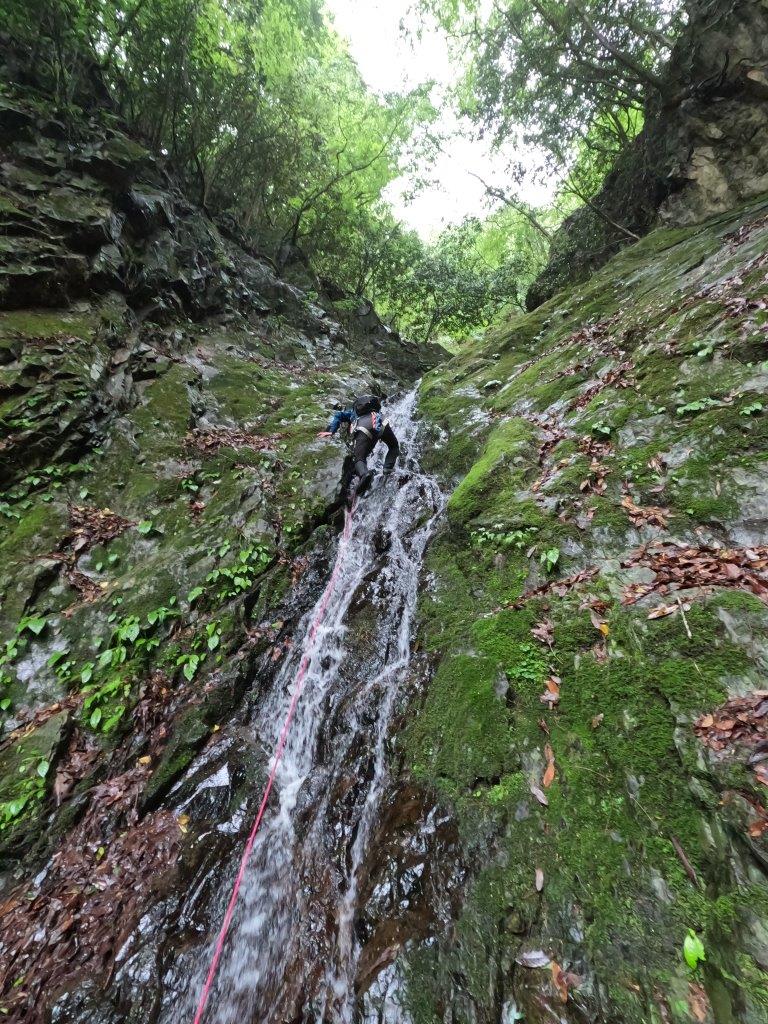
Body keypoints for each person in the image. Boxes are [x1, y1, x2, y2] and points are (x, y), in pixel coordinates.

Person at [317, 394, 399, 500]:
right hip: (382, 422)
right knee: (393, 446)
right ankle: (387, 470)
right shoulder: (376, 412)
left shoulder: (352, 412)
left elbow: (338, 415)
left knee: (359, 458)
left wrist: (331, 431)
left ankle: (365, 474)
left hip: (364, 426)